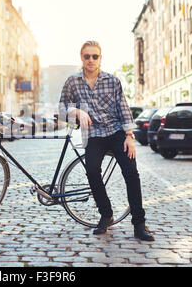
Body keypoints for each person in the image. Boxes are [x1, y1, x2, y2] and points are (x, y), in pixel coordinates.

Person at [59, 41, 154, 241]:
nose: (91, 60)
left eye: (95, 56)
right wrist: (75, 111)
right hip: (93, 135)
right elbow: (61, 109)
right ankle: (106, 214)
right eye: (87, 56)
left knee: (131, 172)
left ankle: (139, 223)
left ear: (101, 58)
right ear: (81, 58)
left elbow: (124, 109)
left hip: (116, 132)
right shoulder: (72, 82)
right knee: (92, 170)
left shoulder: (113, 81)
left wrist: (129, 136)